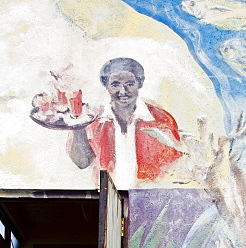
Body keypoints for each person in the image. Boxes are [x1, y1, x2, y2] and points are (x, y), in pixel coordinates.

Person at [67, 57, 181, 190]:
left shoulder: (161, 119)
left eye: (130, 84)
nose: (122, 91)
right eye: (115, 84)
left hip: (148, 196)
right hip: (106, 197)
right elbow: (82, 162)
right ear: (106, 85)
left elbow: (174, 167)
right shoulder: (92, 119)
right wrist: (77, 126)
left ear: (140, 83)